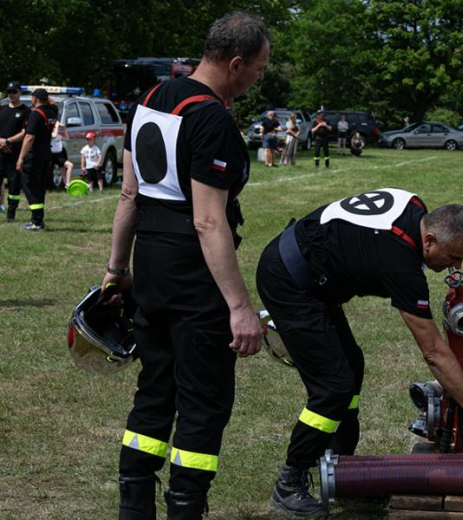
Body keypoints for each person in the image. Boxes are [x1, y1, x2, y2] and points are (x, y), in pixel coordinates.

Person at [101, 12, 269, 519]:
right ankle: (185, 509)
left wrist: (117, 269)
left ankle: (135, 506)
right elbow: (208, 222)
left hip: (150, 265)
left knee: (155, 388)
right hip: (193, 273)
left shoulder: (151, 98)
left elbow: (129, 194)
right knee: (203, 401)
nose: (259, 78)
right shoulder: (211, 118)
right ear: (234, 63)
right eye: (258, 69)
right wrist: (239, 307)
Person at [256, 188, 463, 518]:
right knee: (332, 387)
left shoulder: (415, 207)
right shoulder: (399, 261)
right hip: (290, 281)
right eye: (452, 257)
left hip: (311, 272)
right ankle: (289, 482)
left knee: (351, 368)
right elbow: (432, 351)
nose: (453, 267)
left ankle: (343, 472)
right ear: (428, 239)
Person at [15, 88, 57, 231]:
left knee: (30, 186)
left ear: (35, 99)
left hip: (34, 156)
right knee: (39, 187)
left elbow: (29, 137)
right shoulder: (53, 111)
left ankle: (37, 222)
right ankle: (36, 220)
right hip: (46, 154)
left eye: (32, 97)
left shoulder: (35, 115)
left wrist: (20, 158)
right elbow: (53, 103)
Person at [1, 81, 31, 220]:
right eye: (9, 92)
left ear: (20, 93)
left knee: (13, 184)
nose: (11, 95)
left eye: (14, 92)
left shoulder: (25, 111)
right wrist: (1, 142)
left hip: (15, 152)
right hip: (0, 150)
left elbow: (25, 132)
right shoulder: (2, 109)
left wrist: (8, 141)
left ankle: (11, 213)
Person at [50, 120, 74, 189]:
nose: (57, 129)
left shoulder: (59, 136)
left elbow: (67, 138)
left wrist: (64, 129)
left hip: (59, 154)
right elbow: (54, 136)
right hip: (51, 154)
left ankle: (67, 184)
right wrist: (56, 126)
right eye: (54, 128)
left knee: (68, 166)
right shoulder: (50, 134)